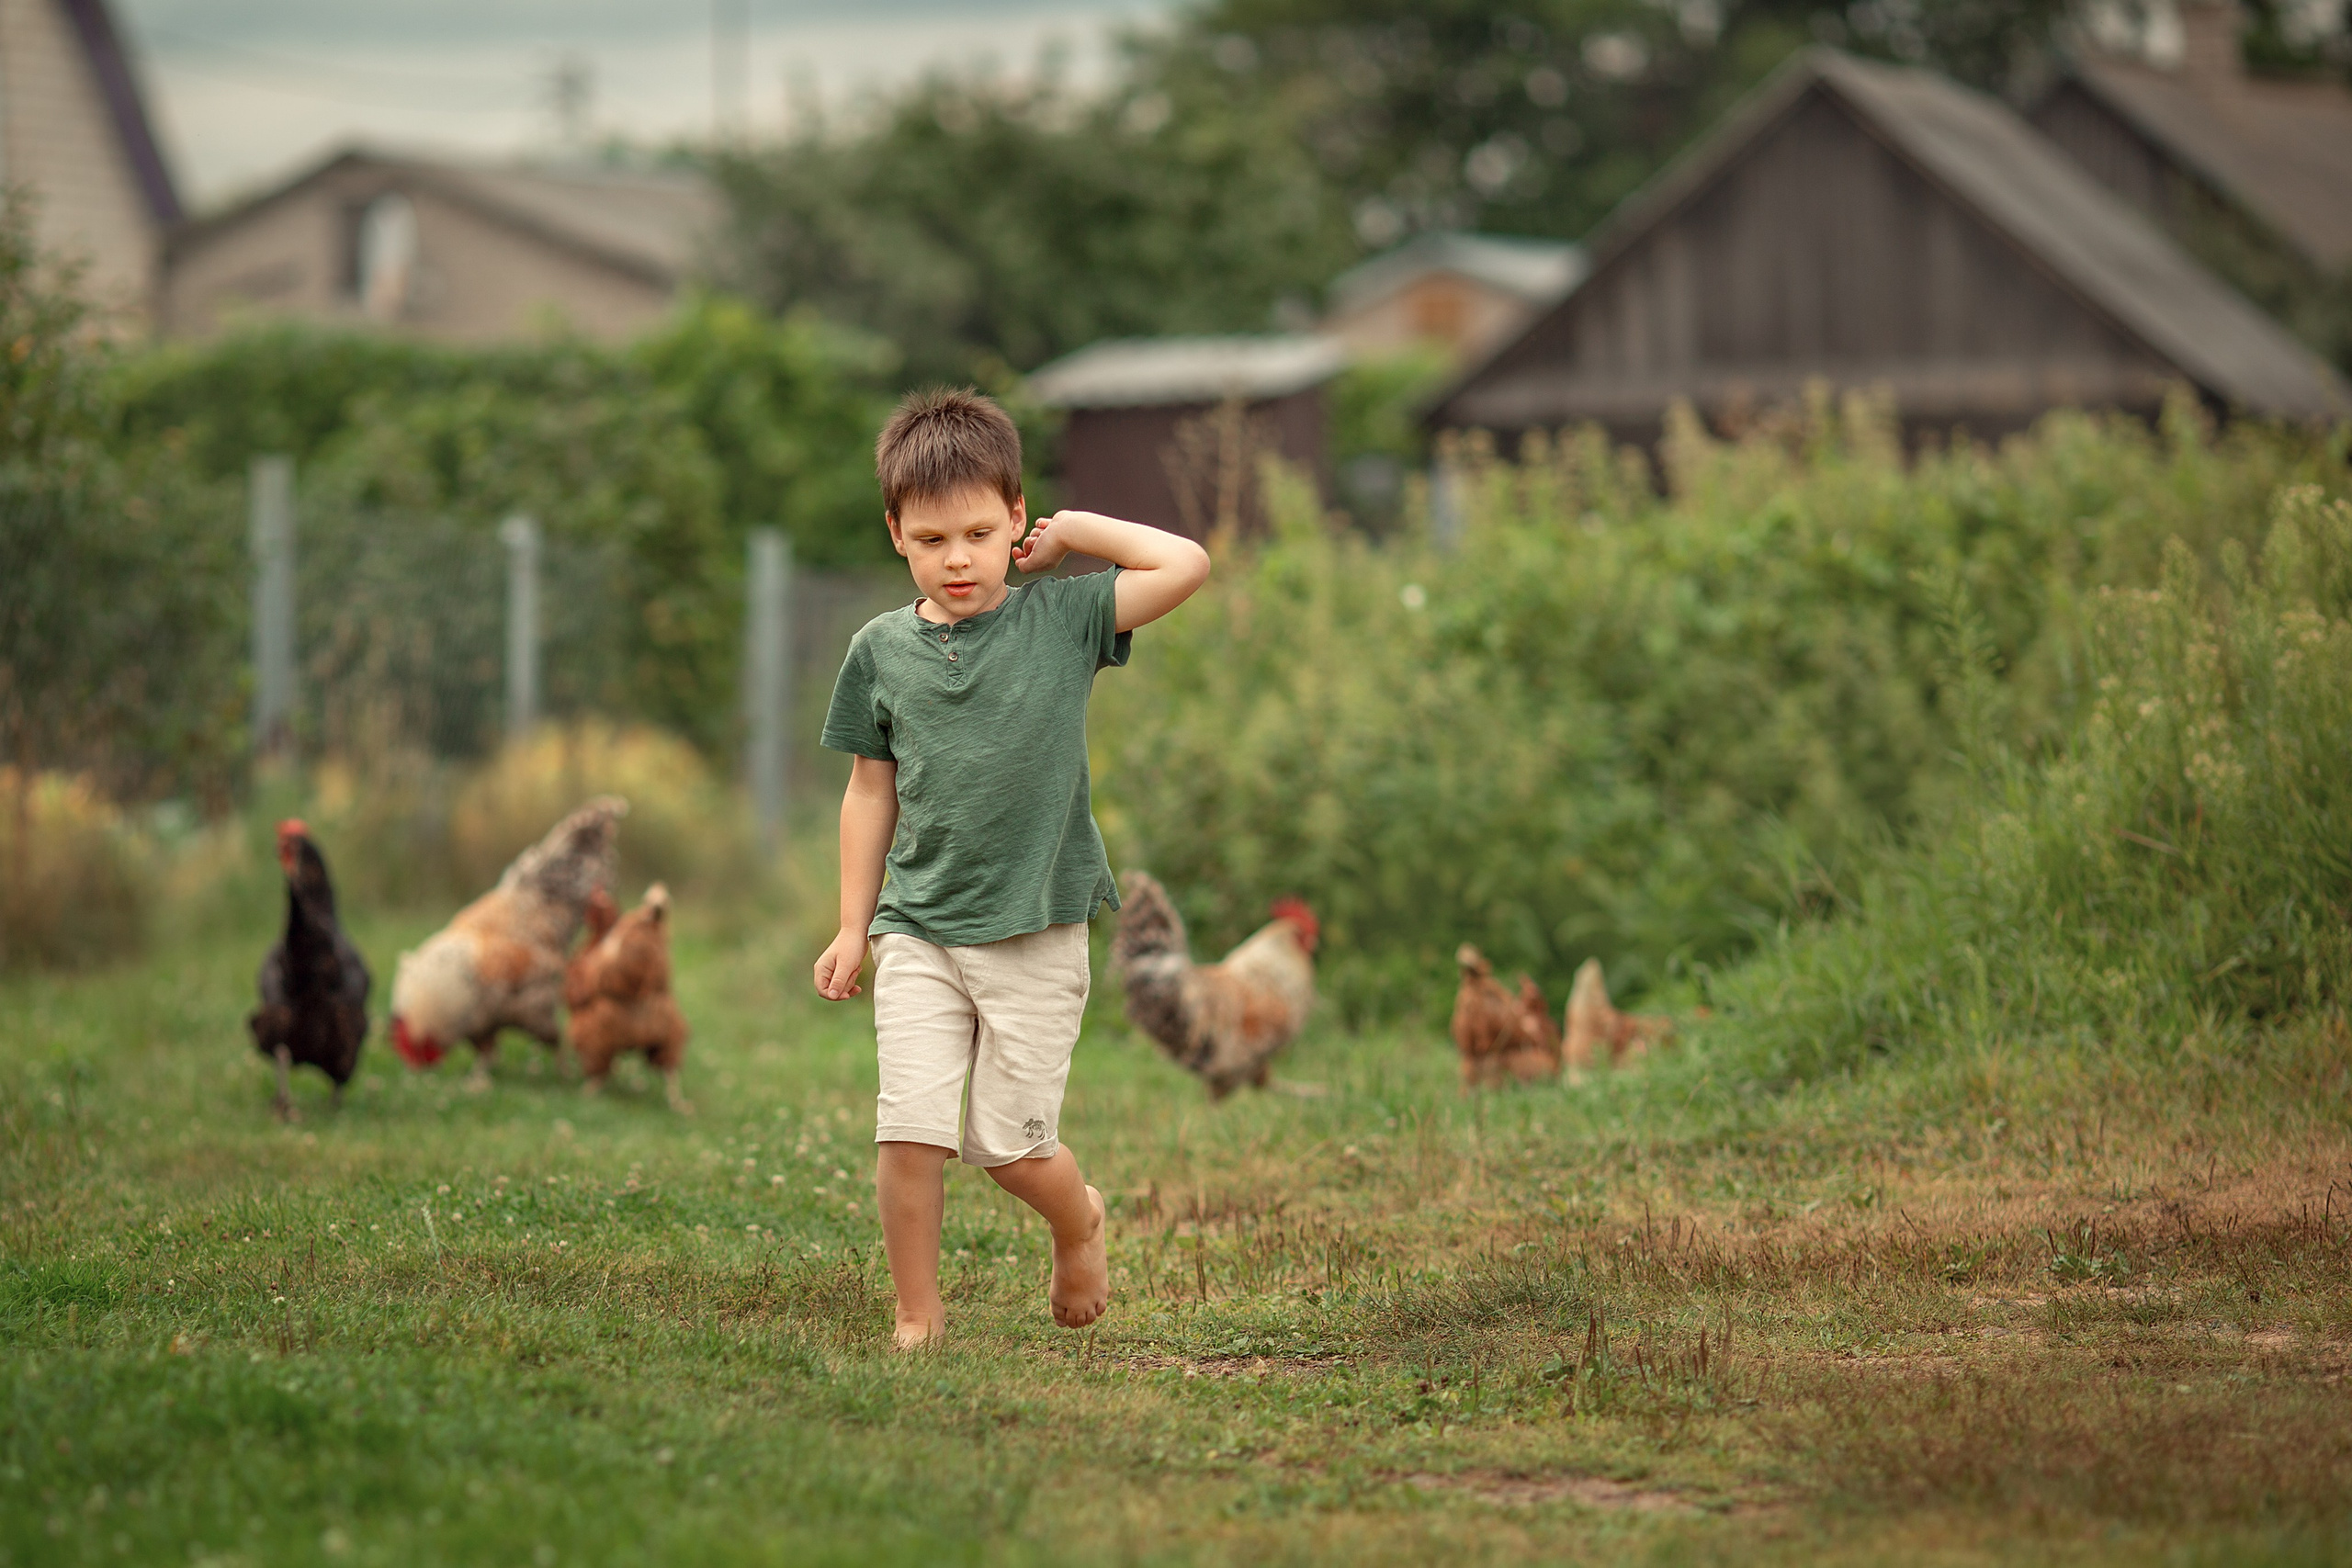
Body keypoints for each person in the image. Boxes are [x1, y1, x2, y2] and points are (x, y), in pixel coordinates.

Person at [812, 387, 1212, 1348]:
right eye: (933, 538)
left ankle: (1078, 1224)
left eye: (980, 533)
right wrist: (852, 924)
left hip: (1036, 930)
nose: (958, 558)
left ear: (1016, 524)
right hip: (918, 927)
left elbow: (1185, 562)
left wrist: (1077, 530)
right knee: (908, 1127)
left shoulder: (1065, 619)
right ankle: (917, 1314)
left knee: (1006, 1146)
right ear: (896, 534)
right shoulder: (879, 652)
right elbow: (871, 793)